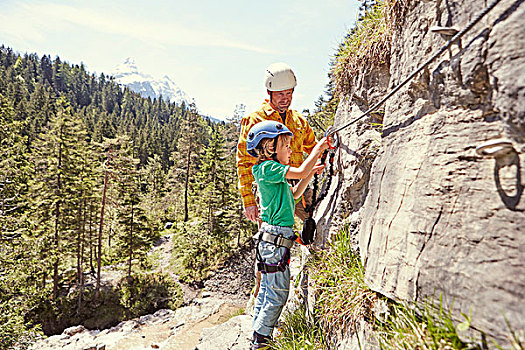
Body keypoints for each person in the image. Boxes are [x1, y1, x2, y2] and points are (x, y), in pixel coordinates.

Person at [246, 120, 329, 349]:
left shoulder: (270, 173)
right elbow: (299, 169)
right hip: (274, 242)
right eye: (287, 146)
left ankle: (257, 331)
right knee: (278, 294)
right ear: (270, 148)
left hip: (271, 241)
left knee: (267, 290)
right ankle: (261, 342)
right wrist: (318, 149)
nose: (291, 151)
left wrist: (310, 173)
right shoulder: (267, 168)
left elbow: (293, 195)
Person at [236, 62, 318, 224]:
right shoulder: (255, 120)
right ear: (269, 92)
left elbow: (313, 148)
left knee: (314, 231)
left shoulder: (298, 120)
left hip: (299, 187)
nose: (285, 99)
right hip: (270, 194)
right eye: (280, 94)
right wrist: (249, 202)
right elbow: (244, 163)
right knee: (272, 241)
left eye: (289, 93)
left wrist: (322, 158)